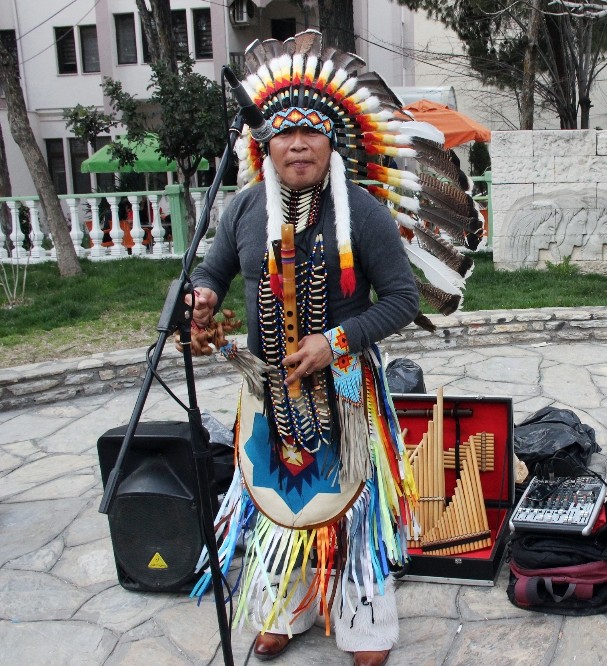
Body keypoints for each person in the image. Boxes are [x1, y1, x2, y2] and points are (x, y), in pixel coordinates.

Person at [187, 31, 425, 666]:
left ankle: (363, 622)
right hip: (266, 391)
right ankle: (285, 609)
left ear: (332, 143)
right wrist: (204, 298)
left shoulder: (364, 213)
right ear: (265, 143)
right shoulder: (243, 209)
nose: (298, 143)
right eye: (284, 132)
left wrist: (334, 341)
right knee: (276, 503)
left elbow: (404, 300)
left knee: (348, 505)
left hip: (344, 387)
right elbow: (210, 272)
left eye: (312, 133)